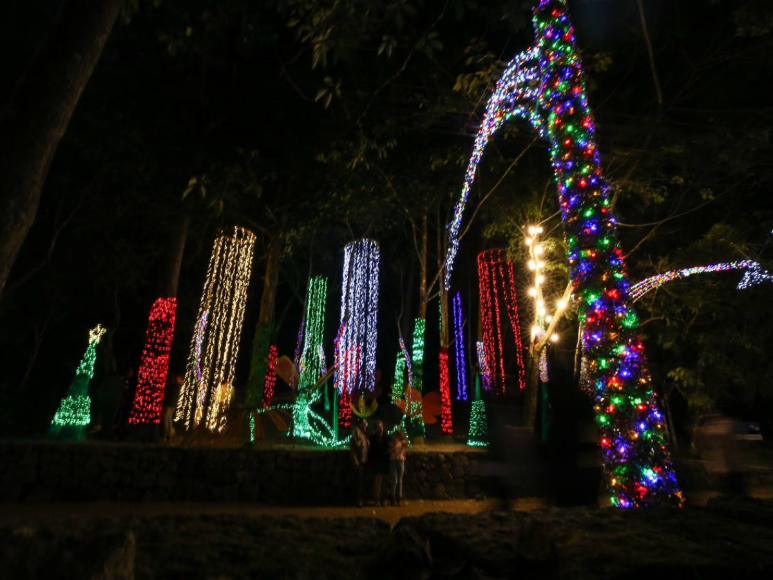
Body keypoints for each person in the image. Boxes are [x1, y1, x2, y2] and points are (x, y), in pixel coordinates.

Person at [368, 420, 390, 506]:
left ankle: (383, 500)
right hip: (377, 462)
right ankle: (376, 500)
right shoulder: (372, 438)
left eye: (381, 427)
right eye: (378, 427)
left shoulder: (387, 437)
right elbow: (371, 450)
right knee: (377, 482)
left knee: (384, 482)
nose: (380, 429)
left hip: (385, 462)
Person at [350, 418, 369, 507]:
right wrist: (355, 459)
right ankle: (358, 500)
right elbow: (353, 447)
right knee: (359, 482)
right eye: (364, 423)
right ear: (360, 424)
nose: (366, 425)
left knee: (363, 481)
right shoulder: (356, 432)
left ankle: (362, 499)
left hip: (364, 460)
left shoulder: (364, 434)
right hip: (359, 460)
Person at [389, 429, 408, 506]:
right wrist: (394, 444)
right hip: (394, 461)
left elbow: (405, 446)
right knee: (395, 481)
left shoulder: (403, 442)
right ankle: (392, 498)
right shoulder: (392, 442)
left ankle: (398, 498)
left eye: (399, 434)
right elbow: (390, 451)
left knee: (399, 481)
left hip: (400, 461)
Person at [162, 374, 182, 441]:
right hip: (173, 404)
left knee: (165, 419)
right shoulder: (178, 386)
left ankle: (165, 435)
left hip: (168, 404)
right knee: (169, 419)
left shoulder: (174, 385)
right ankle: (169, 435)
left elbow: (168, 394)